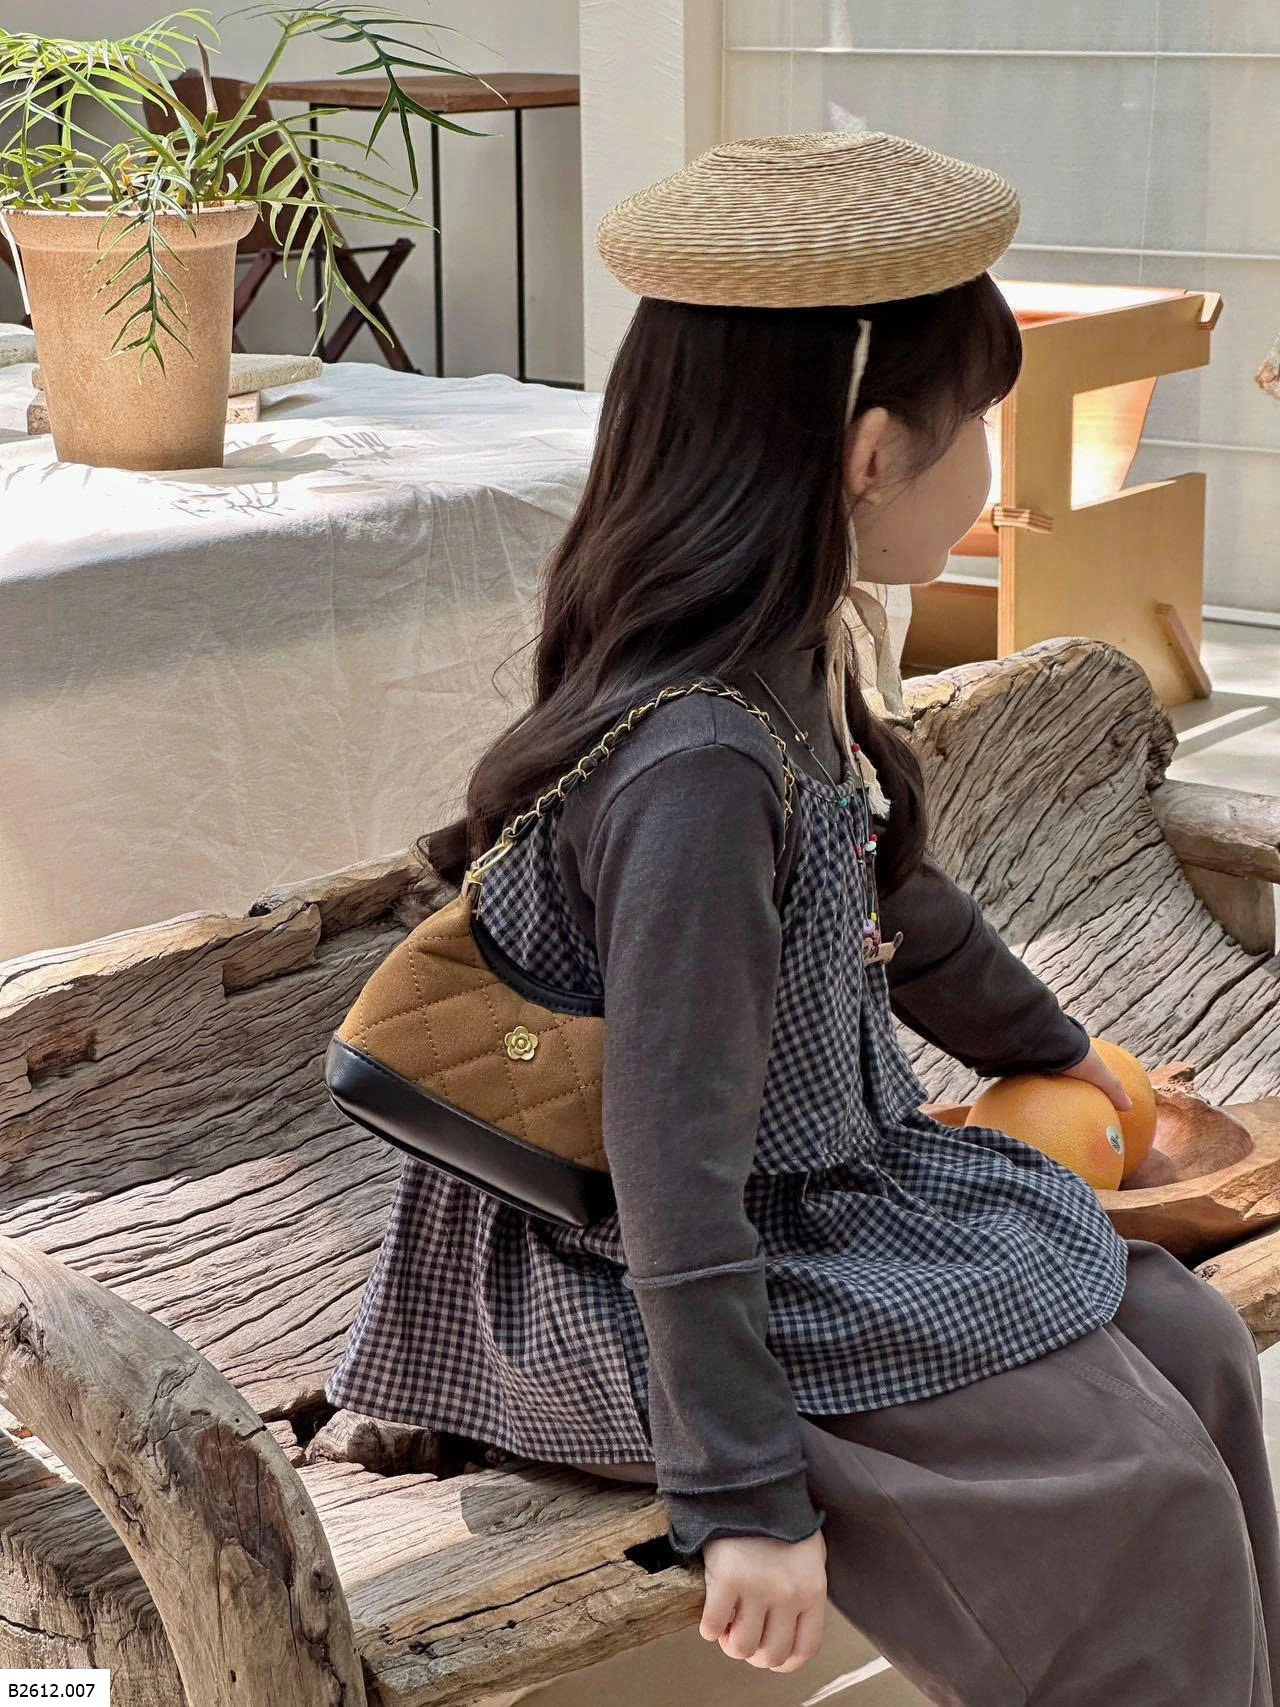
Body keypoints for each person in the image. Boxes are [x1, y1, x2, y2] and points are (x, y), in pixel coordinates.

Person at [325, 132, 1280, 1704]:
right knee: (1143, 1505)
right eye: (979, 427)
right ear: (871, 453)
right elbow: (670, 1161)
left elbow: (896, 897)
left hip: (802, 1207)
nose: (990, 467)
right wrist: (744, 1500)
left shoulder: (786, 660)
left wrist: (1059, 1052)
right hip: (642, 1281)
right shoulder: (699, 770)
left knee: (1192, 1341)